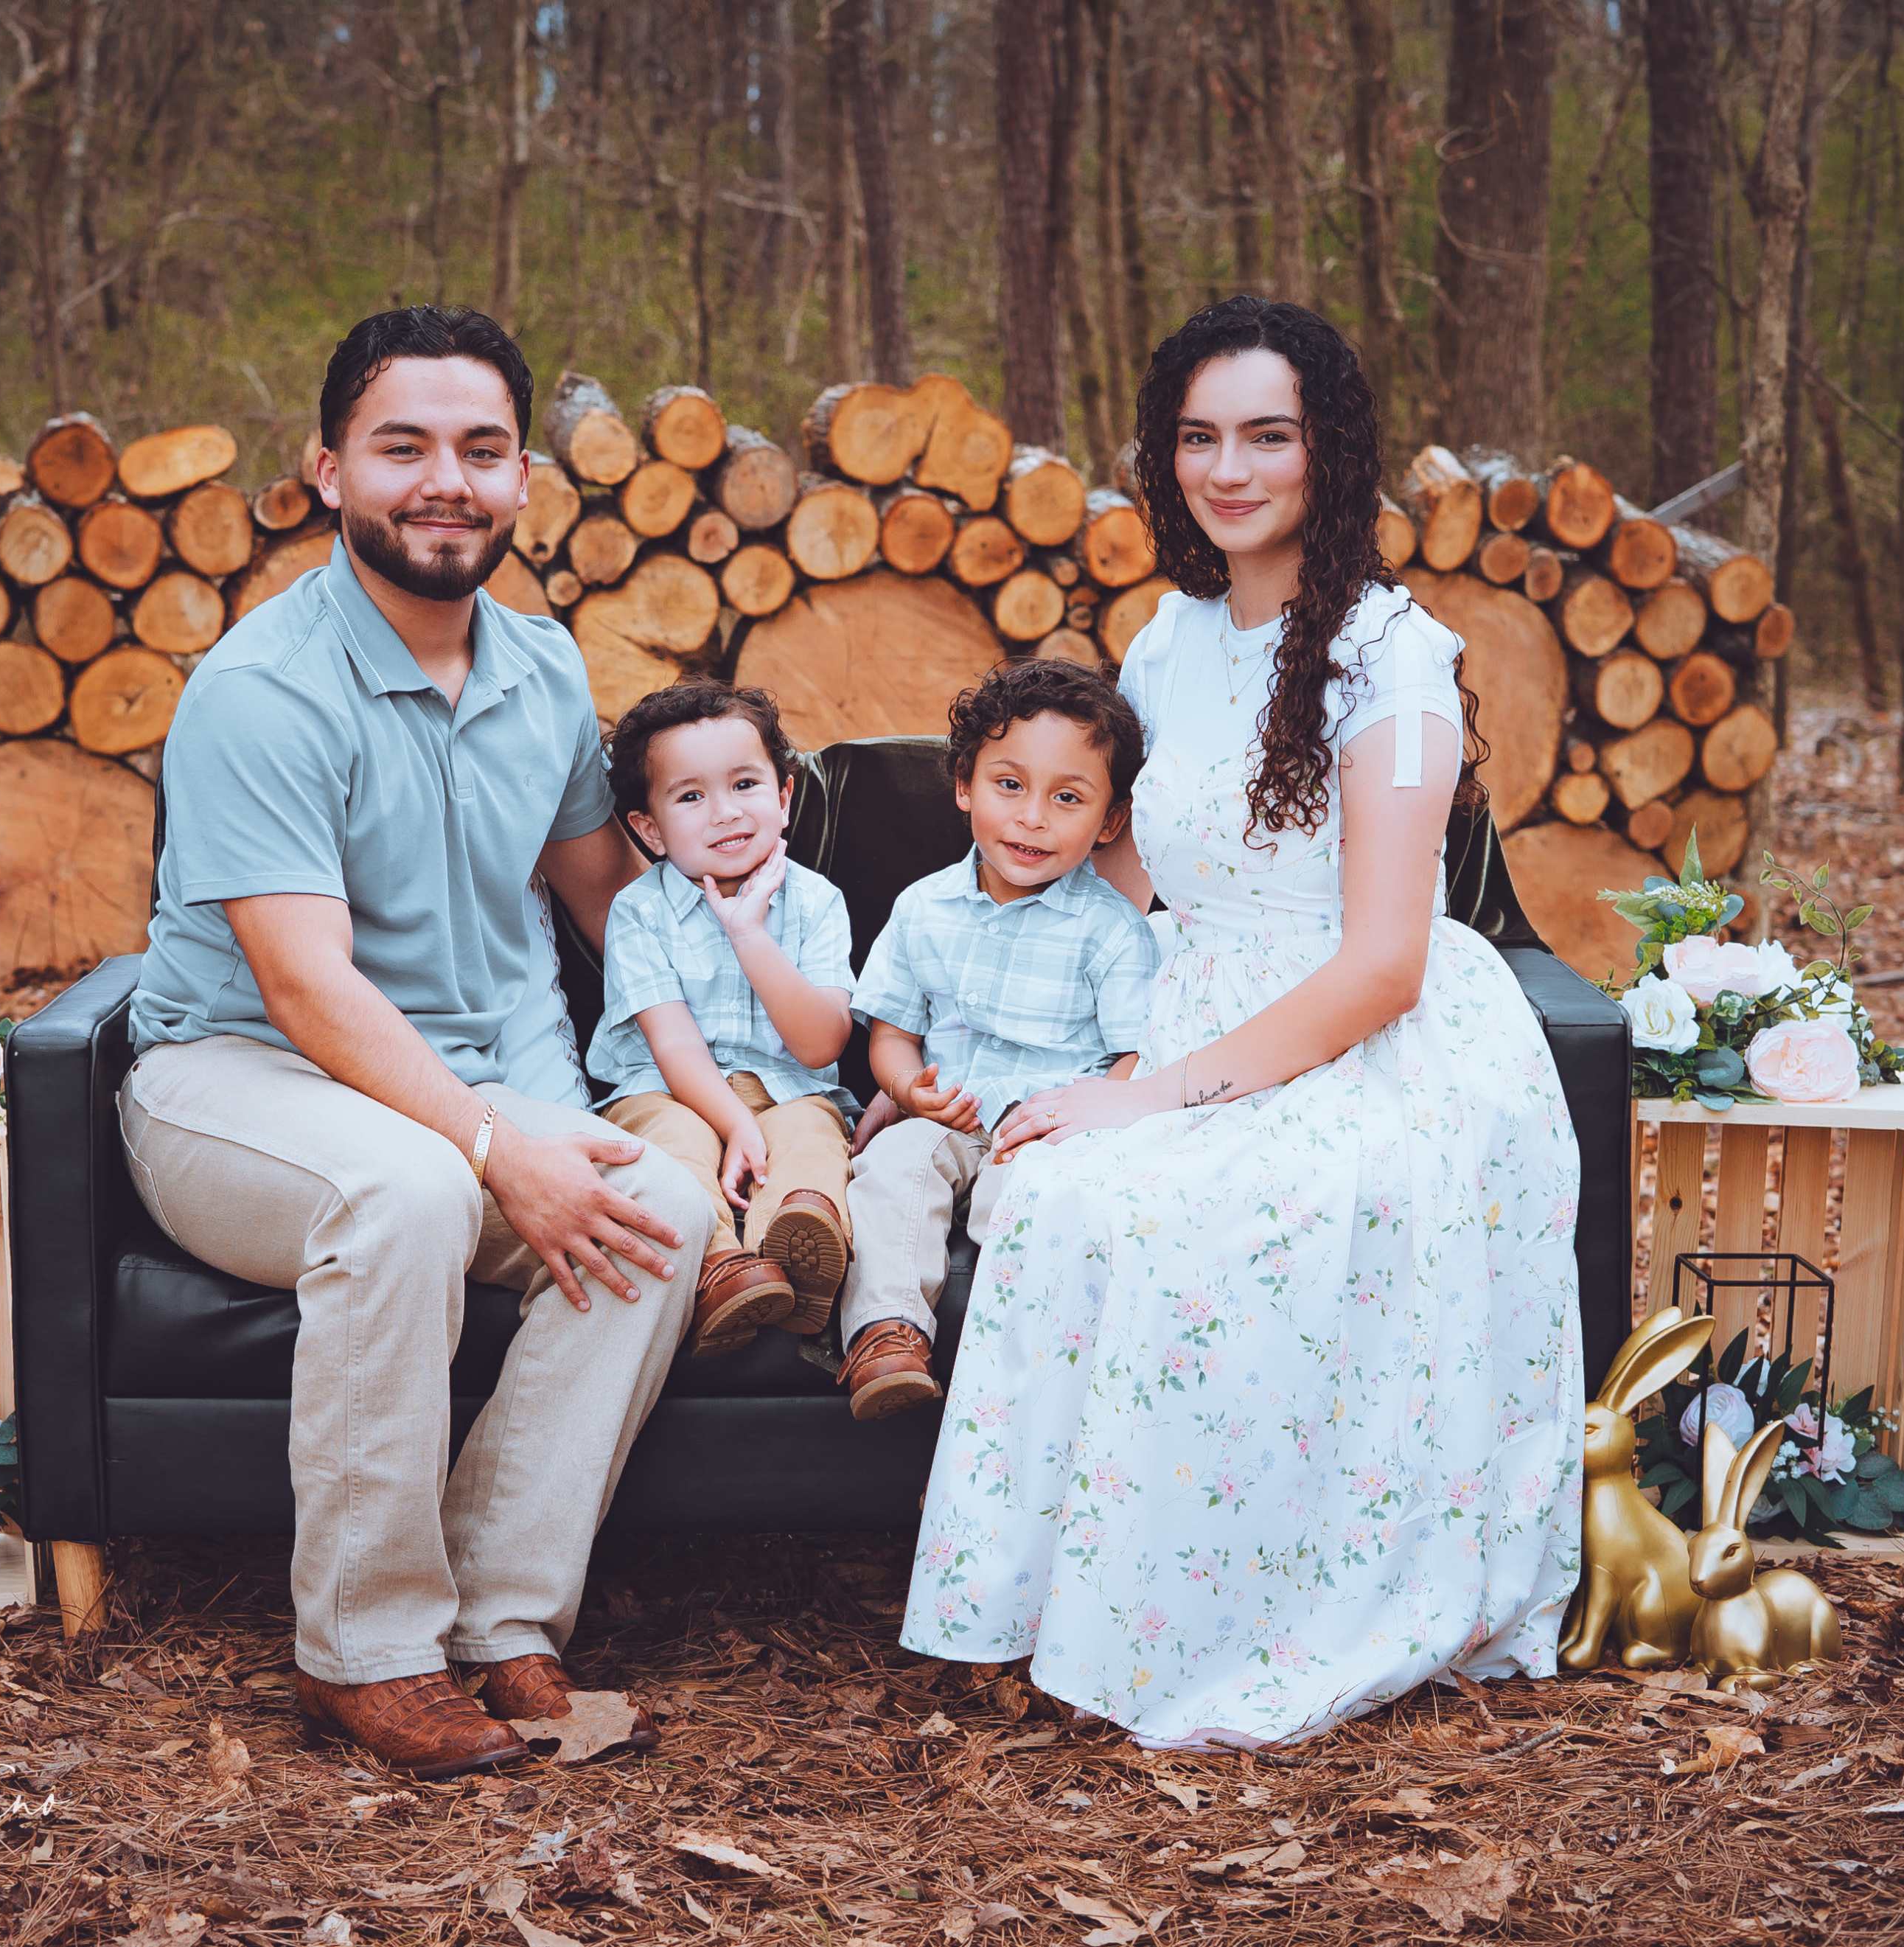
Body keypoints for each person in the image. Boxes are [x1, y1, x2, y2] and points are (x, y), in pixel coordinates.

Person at [900, 296, 1587, 1746]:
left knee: (1193, 1210)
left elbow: (1383, 962)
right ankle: (1040, 1606)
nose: (1230, 469)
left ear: (1329, 453)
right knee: (1046, 1187)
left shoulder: (1393, 658)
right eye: (1198, 438)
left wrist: (1153, 1093)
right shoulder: (1167, 639)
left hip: (1371, 1041)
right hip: (1194, 1003)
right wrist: (1103, 1005)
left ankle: (1230, 1620)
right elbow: (1152, 855)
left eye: (1266, 435)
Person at [118, 306, 716, 1783]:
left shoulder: (544, 672)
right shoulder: (262, 691)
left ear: (522, 483)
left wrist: (763, 1059)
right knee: (410, 1193)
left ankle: (502, 1614)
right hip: (238, 1078)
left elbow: (608, 906)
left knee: (669, 1204)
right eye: (404, 447)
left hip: (463, 1080)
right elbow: (310, 992)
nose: (445, 479)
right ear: (329, 471)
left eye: (481, 449)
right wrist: (501, 1143)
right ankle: (364, 1651)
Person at [837, 658, 1159, 1421]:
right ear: (964, 785)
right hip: (948, 1112)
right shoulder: (923, 909)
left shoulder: (1110, 930)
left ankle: (1008, 1391)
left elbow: (1137, 1054)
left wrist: (1090, 1110)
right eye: (1008, 785)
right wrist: (910, 1085)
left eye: (1069, 797)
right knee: (893, 1168)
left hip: (1047, 1127)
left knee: (1026, 1206)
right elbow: (893, 1035)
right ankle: (887, 1334)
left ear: (1110, 821)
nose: (1032, 817)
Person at [587, 681, 858, 1354]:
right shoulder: (639, 911)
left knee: (811, 1140)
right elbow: (672, 1041)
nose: (725, 813)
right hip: (664, 1088)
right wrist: (733, 1122)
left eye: (744, 784)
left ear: (785, 795)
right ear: (648, 829)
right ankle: (715, 1263)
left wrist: (750, 937)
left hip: (788, 1087)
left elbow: (822, 1041)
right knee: (672, 1146)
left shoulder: (817, 901)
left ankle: (795, 1244)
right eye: (690, 796)